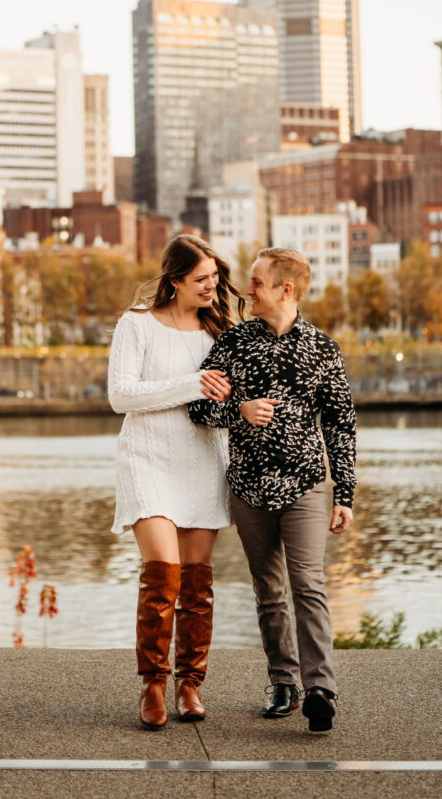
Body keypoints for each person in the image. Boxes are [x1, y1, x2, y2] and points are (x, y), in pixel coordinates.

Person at [188, 248, 356, 733]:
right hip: (248, 489)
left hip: (305, 485)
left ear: (286, 289)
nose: (248, 290)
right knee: (269, 590)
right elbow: (198, 408)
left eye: (257, 282)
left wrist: (344, 493)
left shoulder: (323, 349)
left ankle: (320, 688)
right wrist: (237, 410)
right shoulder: (233, 343)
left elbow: (340, 425)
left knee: (308, 584)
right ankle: (284, 684)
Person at [108, 234, 246, 729]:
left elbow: (229, 400)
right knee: (162, 574)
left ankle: (190, 684)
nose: (211, 286)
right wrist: (192, 384)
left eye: (215, 277)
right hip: (147, 459)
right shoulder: (136, 323)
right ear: (175, 280)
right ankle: (152, 684)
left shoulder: (219, 332)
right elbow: (122, 396)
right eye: (201, 279)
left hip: (201, 461)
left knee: (197, 584)